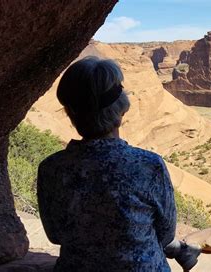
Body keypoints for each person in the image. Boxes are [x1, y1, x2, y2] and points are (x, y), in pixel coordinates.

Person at [37, 56, 200, 272]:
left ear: (69, 113)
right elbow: (166, 234)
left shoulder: (51, 168)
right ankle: (183, 251)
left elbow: (55, 235)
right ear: (122, 109)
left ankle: (182, 250)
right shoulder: (148, 165)